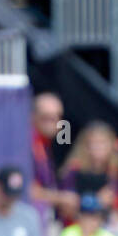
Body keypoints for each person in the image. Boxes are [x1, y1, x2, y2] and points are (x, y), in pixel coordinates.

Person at [29, 92, 77, 226]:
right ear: (32, 116)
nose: (54, 122)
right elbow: (24, 190)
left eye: (57, 117)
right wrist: (61, 198)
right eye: (46, 117)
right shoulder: (24, 142)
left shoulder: (45, 144)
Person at [57, 122, 118, 217]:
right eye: (94, 143)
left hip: (103, 223)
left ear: (112, 146)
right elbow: (66, 205)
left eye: (103, 143)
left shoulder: (113, 172)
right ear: (85, 146)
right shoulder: (74, 170)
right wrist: (96, 201)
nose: (99, 148)